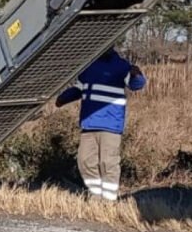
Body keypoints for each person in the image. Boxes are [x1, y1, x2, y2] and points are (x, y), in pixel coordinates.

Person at [55, 49, 146, 201]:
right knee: (84, 161)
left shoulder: (122, 66)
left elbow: (137, 84)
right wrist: (62, 99)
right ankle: (96, 196)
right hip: (89, 124)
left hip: (111, 124)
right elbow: (79, 88)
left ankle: (109, 201)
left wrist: (137, 75)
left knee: (108, 163)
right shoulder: (88, 66)